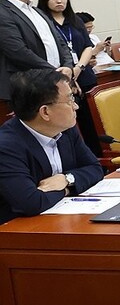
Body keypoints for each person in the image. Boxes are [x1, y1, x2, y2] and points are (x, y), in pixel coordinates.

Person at [0, 69, 103, 224]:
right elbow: (31, 203)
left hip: (63, 219)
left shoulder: (66, 129)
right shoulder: (6, 147)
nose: (76, 106)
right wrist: (67, 190)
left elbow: (95, 168)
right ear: (45, 112)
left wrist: (66, 180)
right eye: (69, 101)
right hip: (19, 232)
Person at [36, 0, 108, 155]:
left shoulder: (75, 20)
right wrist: (69, 74)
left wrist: (78, 68)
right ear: (44, 0)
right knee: (67, 127)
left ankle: (98, 159)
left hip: (84, 76)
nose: (59, 1)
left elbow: (87, 46)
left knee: (91, 123)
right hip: (60, 80)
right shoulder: (43, 22)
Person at [0, 0, 74, 102]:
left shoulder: (37, 12)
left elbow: (61, 43)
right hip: (26, 89)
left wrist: (67, 66)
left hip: (54, 83)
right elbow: (17, 51)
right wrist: (54, 72)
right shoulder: (3, 11)